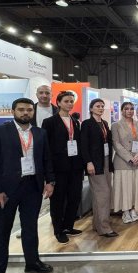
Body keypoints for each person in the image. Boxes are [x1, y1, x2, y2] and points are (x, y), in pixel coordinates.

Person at [0, 98, 55, 273]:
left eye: (29, 110)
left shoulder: (39, 133)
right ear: (13, 111)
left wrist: (50, 181)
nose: (25, 113)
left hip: (32, 187)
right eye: (21, 109)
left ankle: (32, 262)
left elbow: (46, 158)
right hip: (4, 192)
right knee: (1, 233)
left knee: (30, 228)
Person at [42, 91, 84, 244]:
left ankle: (68, 226)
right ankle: (58, 230)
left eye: (71, 101)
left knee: (74, 197)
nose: (70, 104)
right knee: (58, 200)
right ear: (58, 103)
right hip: (58, 167)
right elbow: (46, 147)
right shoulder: (49, 122)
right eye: (66, 101)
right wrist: (49, 173)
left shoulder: (75, 121)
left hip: (75, 167)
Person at [80, 99, 118, 238]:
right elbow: (83, 145)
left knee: (101, 194)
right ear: (91, 109)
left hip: (106, 161)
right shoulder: (87, 124)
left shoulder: (105, 123)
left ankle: (97, 224)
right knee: (103, 194)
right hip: (95, 163)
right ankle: (104, 227)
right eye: (97, 106)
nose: (101, 108)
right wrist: (88, 162)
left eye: (102, 106)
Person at [112, 102, 138, 223]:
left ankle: (133, 209)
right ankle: (125, 211)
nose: (129, 111)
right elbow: (116, 144)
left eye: (132, 109)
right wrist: (129, 157)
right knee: (125, 187)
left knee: (135, 186)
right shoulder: (116, 125)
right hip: (123, 162)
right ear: (122, 110)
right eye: (126, 109)